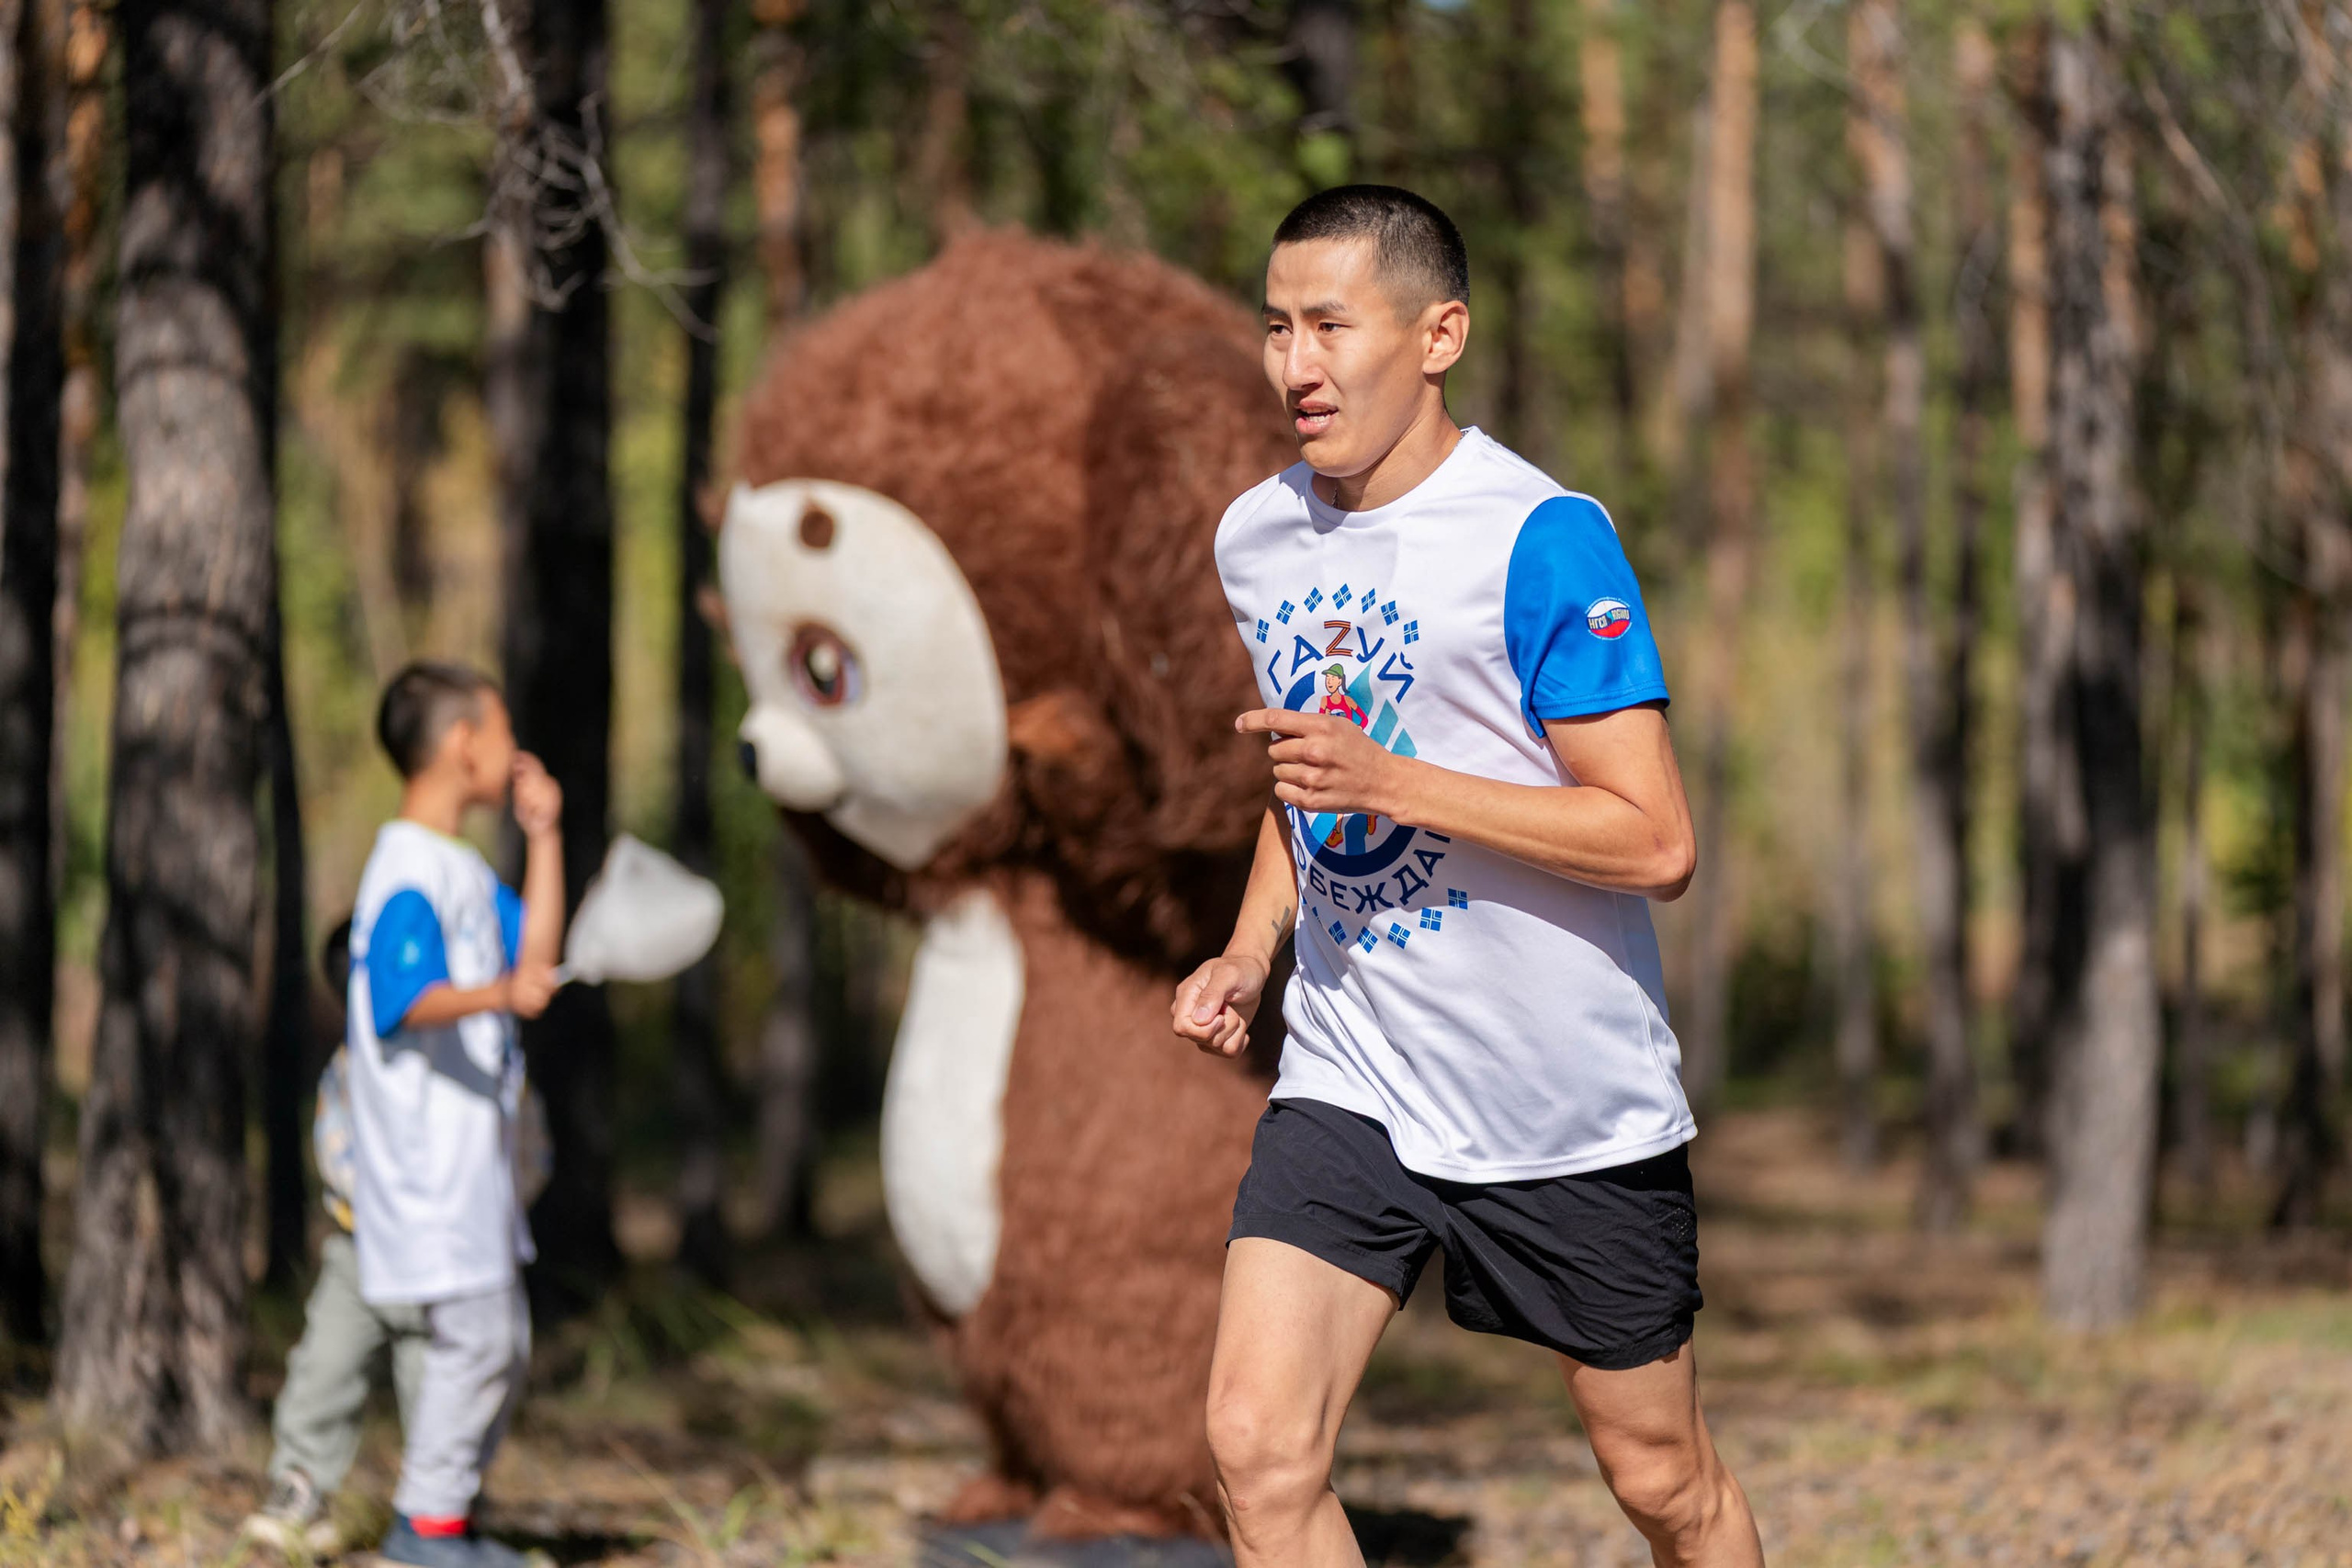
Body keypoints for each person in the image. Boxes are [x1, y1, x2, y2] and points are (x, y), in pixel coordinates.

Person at [1172, 186, 1764, 1567]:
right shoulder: (1256, 536)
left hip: (1559, 1099)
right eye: (1276, 327)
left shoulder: (1540, 537)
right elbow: (1308, 781)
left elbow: (1656, 841)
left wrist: (1393, 782)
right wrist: (1251, 954)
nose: (1297, 364)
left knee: (1662, 1481)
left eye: (1331, 326)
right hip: (1355, 1071)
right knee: (1257, 1449)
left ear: (1438, 336)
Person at [242, 920, 557, 1560]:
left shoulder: (490, 1065)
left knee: (440, 1390)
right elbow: (337, 1153)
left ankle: (444, 1511)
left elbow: (528, 1151)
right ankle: (301, 1486)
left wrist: (483, 1213)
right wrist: (396, 1204)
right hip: (360, 1253)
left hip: (449, 1260)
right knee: (324, 1368)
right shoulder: (353, 1065)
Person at [345, 661, 564, 1568]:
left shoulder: (462, 870)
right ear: (462, 743)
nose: (513, 751)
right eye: (502, 731)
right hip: (428, 1163)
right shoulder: (404, 869)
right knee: (472, 1343)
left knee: (501, 1343)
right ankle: (424, 1530)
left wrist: (544, 839)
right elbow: (403, 997)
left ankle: (448, 1519)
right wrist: (497, 995)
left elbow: (535, 956)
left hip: (476, 1164)